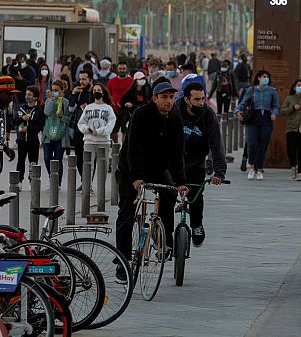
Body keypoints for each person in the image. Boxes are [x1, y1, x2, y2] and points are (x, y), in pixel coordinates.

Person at [115, 81, 187, 281]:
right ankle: (121, 262)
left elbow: (176, 153)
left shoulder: (175, 119)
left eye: (172, 97)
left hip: (157, 168)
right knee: (127, 212)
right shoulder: (141, 114)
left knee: (170, 194)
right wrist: (137, 177)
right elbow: (133, 149)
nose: (168, 101)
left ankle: (163, 239)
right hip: (131, 168)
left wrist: (180, 181)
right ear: (154, 98)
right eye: (164, 97)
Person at [177, 82, 226, 246]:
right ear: (186, 100)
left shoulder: (208, 115)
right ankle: (163, 233)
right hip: (174, 161)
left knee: (196, 196)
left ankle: (197, 225)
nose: (200, 102)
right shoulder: (175, 111)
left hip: (196, 162)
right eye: (196, 99)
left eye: (203, 99)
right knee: (166, 196)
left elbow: (216, 144)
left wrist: (219, 172)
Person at [235, 70, 279, 181]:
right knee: (252, 143)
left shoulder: (272, 91)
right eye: (264, 76)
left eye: (267, 77)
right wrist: (237, 112)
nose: (266, 78)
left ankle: (259, 169)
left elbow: (276, 106)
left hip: (266, 119)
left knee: (263, 145)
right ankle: (252, 167)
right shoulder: (251, 90)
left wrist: (274, 113)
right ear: (258, 78)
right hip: (253, 119)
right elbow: (242, 103)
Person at [78, 82, 116, 190]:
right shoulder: (88, 107)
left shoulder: (108, 108)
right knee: (88, 166)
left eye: (98, 90)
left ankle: (101, 190)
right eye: (94, 90)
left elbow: (111, 124)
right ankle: (87, 188)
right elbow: (81, 123)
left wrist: (99, 131)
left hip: (103, 141)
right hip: (89, 141)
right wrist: (86, 130)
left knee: (102, 168)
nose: (96, 92)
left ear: (103, 92)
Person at [14, 86, 45, 186]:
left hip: (33, 140)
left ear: (35, 97)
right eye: (26, 94)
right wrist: (23, 118)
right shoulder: (21, 108)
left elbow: (40, 125)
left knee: (33, 161)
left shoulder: (39, 110)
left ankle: (33, 180)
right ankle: (19, 181)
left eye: (30, 95)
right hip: (22, 140)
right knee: (20, 161)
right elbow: (14, 121)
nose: (27, 97)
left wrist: (29, 128)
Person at [42, 80, 69, 184]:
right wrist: (53, 101)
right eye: (52, 90)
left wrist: (62, 116)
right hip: (48, 133)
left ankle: (57, 182)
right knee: (47, 157)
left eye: (56, 90)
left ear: (62, 91)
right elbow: (47, 112)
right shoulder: (49, 101)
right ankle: (51, 177)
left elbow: (68, 119)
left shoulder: (66, 102)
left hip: (61, 134)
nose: (54, 92)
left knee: (58, 159)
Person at [68, 70, 93, 179]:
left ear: (90, 80)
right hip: (78, 130)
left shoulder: (93, 92)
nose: (81, 82)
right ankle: (84, 180)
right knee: (79, 157)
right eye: (80, 79)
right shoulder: (78, 92)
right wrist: (73, 95)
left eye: (84, 79)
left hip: (91, 130)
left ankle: (89, 182)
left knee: (90, 158)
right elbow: (70, 108)